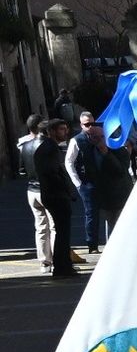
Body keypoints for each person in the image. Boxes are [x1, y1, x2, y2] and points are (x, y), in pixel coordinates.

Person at [33, 118, 76, 278]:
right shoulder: (49, 148)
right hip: (55, 195)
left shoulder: (50, 147)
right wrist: (66, 189)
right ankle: (61, 267)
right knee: (62, 232)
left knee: (62, 231)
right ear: (51, 132)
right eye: (61, 130)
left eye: (65, 129)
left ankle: (64, 265)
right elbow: (52, 173)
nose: (65, 132)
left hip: (53, 194)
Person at [17, 116, 57, 273]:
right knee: (54, 227)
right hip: (46, 189)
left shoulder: (24, 146)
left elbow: (21, 171)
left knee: (40, 227)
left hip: (31, 191)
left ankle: (44, 262)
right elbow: (55, 169)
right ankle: (57, 260)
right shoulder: (47, 145)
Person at [65, 112, 103, 253]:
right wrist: (78, 183)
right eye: (87, 124)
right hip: (86, 182)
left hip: (100, 180)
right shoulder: (77, 140)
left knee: (107, 210)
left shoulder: (99, 135)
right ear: (81, 125)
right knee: (91, 213)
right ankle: (92, 244)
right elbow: (69, 162)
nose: (90, 127)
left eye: (92, 123)